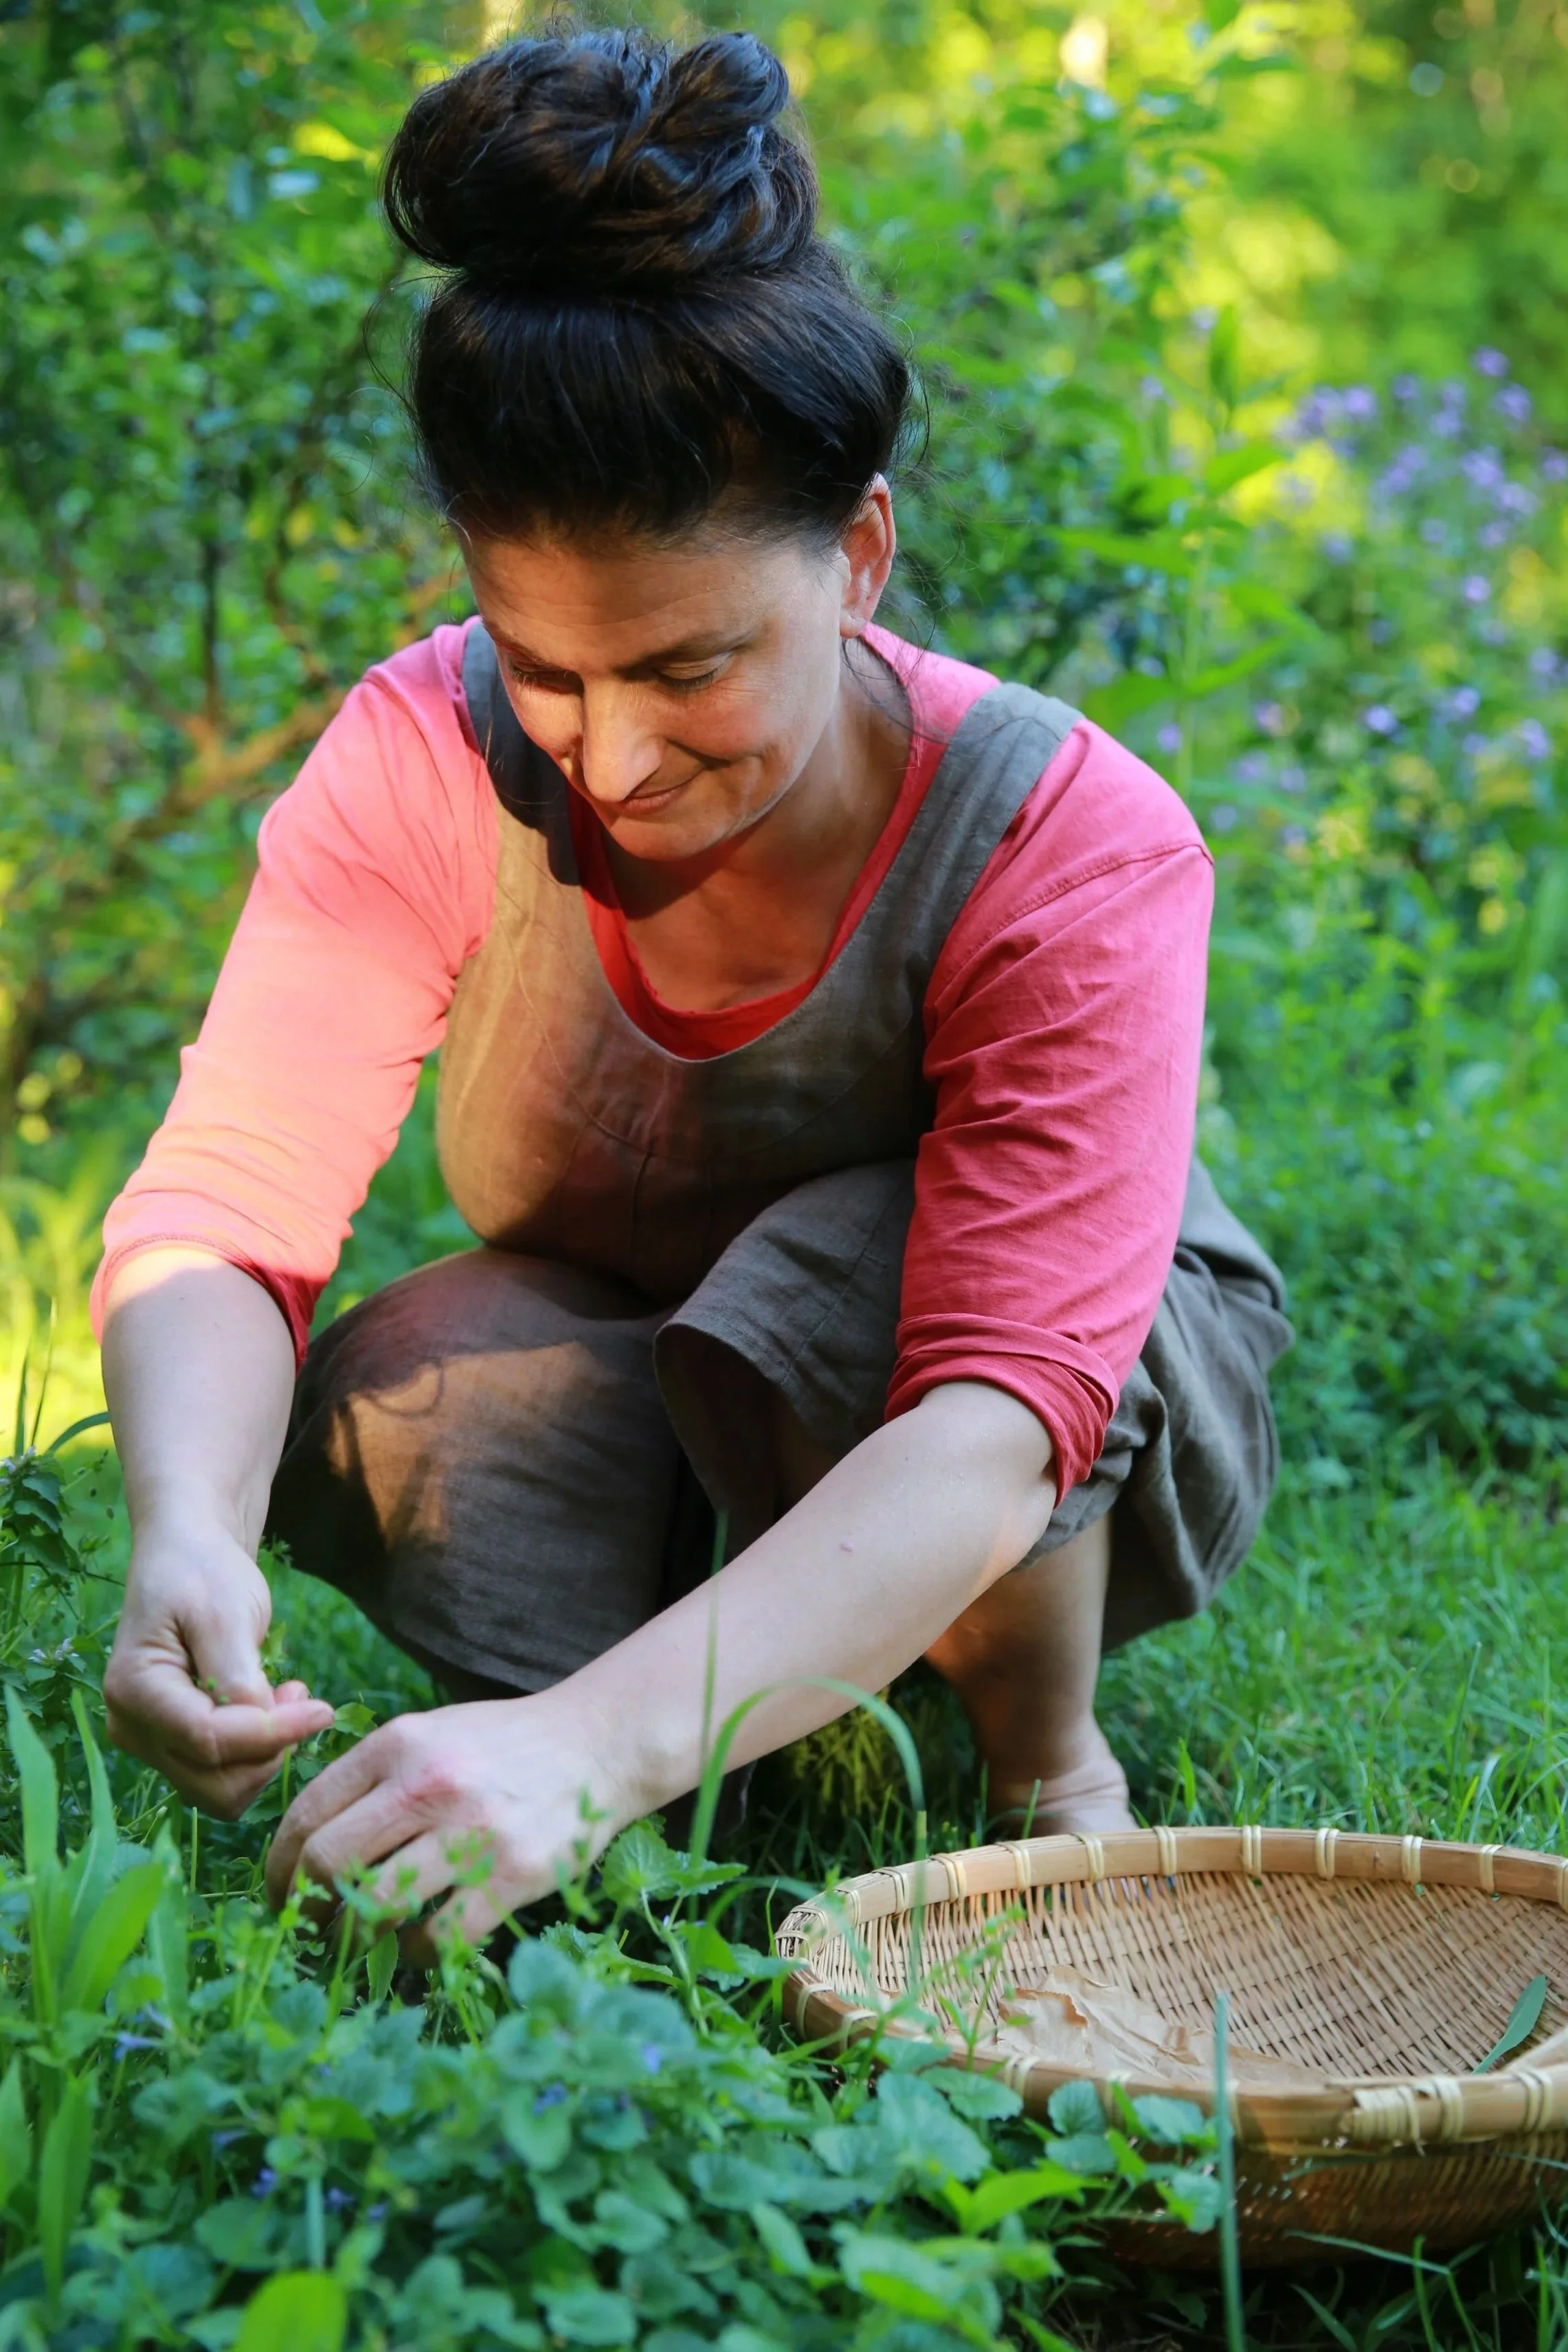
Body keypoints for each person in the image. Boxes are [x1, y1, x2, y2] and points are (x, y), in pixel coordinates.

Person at [93, 24, 1289, 1952]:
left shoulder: (1071, 837)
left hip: (1051, 1407)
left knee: (824, 1286)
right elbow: (228, 1206)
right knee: (388, 1385)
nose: (610, 758)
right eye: (547, 669)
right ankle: (729, 1735)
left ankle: (1044, 1766)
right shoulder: (421, 756)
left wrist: (574, 1754)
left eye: (688, 669)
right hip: (669, 1356)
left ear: (862, 556)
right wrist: (185, 1528)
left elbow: (1002, 1405)